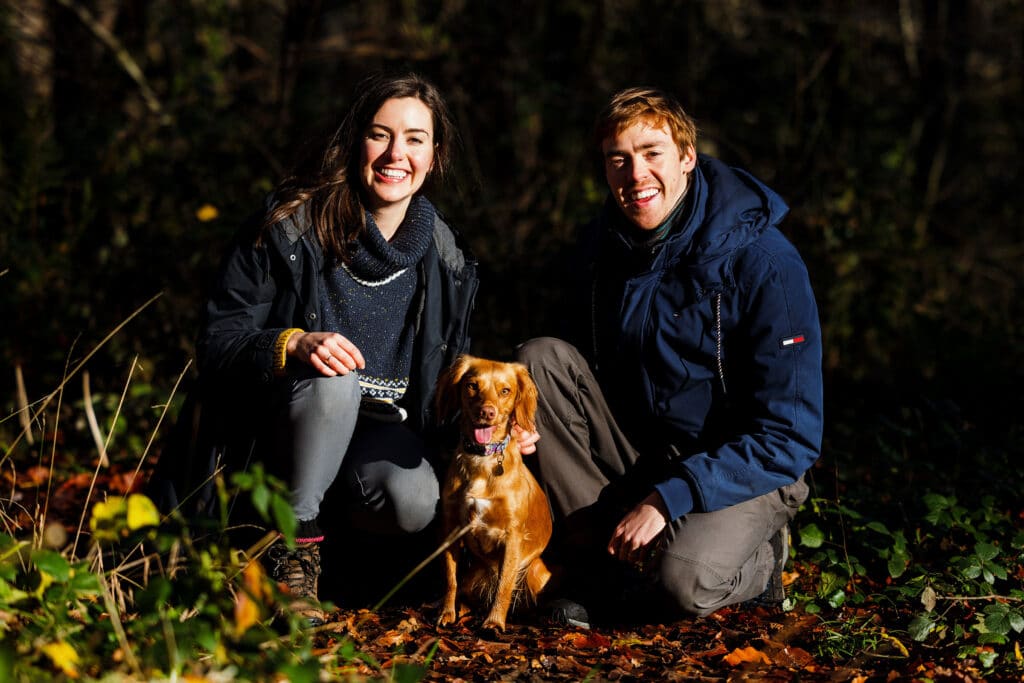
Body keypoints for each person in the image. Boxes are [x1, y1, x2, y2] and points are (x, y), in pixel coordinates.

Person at [156, 71, 484, 626]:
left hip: (378, 434)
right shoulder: (288, 226)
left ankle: (341, 567)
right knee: (335, 382)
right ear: (355, 141)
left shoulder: (447, 258)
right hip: (275, 432)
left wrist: (495, 426)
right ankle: (289, 557)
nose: (395, 154)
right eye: (380, 135)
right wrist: (291, 343)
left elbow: (443, 388)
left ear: (436, 156)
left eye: (415, 139)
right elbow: (217, 341)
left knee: (412, 499)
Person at [516, 86, 824, 626]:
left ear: (687, 157)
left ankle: (762, 563)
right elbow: (568, 373)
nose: (636, 175)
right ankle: (596, 567)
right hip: (645, 452)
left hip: (748, 466)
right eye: (618, 159)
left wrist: (671, 496)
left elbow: (791, 435)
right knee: (538, 360)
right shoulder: (602, 248)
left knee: (683, 583)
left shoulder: (765, 262)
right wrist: (523, 418)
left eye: (652, 153)